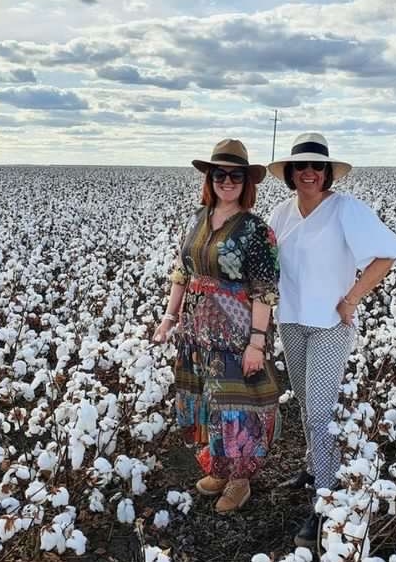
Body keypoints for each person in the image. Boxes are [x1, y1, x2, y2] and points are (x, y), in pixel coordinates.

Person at [267, 132, 396, 546]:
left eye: (317, 166)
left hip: (329, 326)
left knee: (320, 413)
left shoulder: (347, 210)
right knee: (308, 406)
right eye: (301, 166)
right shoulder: (280, 213)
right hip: (290, 321)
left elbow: (389, 252)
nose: (309, 173)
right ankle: (316, 467)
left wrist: (352, 299)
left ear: (327, 173)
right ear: (291, 173)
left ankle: (326, 505)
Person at [152, 139, 280, 514]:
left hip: (235, 333)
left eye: (235, 175)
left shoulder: (257, 230)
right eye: (219, 174)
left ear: (246, 182)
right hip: (196, 330)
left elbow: (264, 290)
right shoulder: (197, 218)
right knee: (209, 401)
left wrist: (256, 342)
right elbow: (182, 271)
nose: (227, 181)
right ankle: (221, 469)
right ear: (210, 178)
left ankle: (240, 482)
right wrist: (169, 317)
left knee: (237, 406)